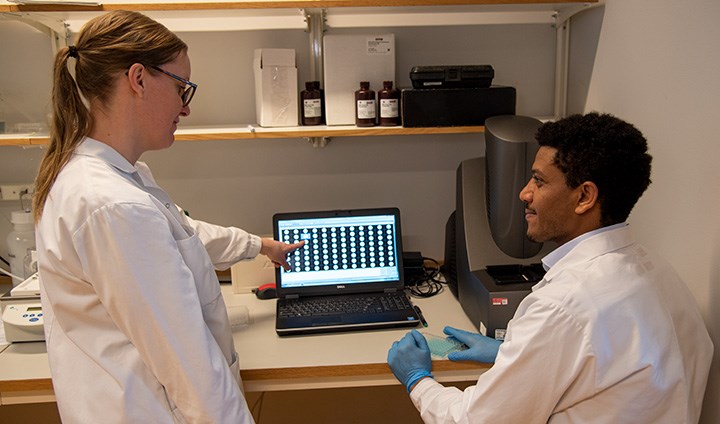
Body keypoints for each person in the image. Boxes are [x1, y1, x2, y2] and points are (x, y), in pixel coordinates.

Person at [32, 11, 302, 423]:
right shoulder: (114, 205)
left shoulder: (112, 178)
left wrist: (259, 246)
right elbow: (190, 368)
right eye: (182, 88)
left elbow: (182, 235)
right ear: (138, 79)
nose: (185, 107)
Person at [388, 112, 713, 423]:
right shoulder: (658, 271)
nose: (524, 193)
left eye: (539, 182)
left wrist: (417, 379)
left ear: (584, 196)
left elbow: (473, 420)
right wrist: (514, 353)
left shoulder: (563, 305)